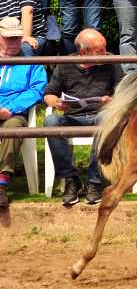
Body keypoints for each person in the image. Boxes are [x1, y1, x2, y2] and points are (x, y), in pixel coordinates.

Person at [43, 29, 125, 206]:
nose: (105, 53)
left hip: (102, 115)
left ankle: (95, 180)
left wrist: (112, 101)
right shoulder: (66, 64)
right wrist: (57, 103)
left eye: (104, 48)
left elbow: (125, 93)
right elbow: (48, 95)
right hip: (73, 117)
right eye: (100, 51)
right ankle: (71, 179)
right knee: (51, 121)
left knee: (108, 117)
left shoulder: (111, 62)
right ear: (83, 52)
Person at [0, 18, 47, 208]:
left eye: (17, 38)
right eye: (8, 39)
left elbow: (37, 90)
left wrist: (10, 108)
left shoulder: (32, 63)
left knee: (12, 129)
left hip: (14, 113)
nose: (13, 43)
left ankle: (2, 183)